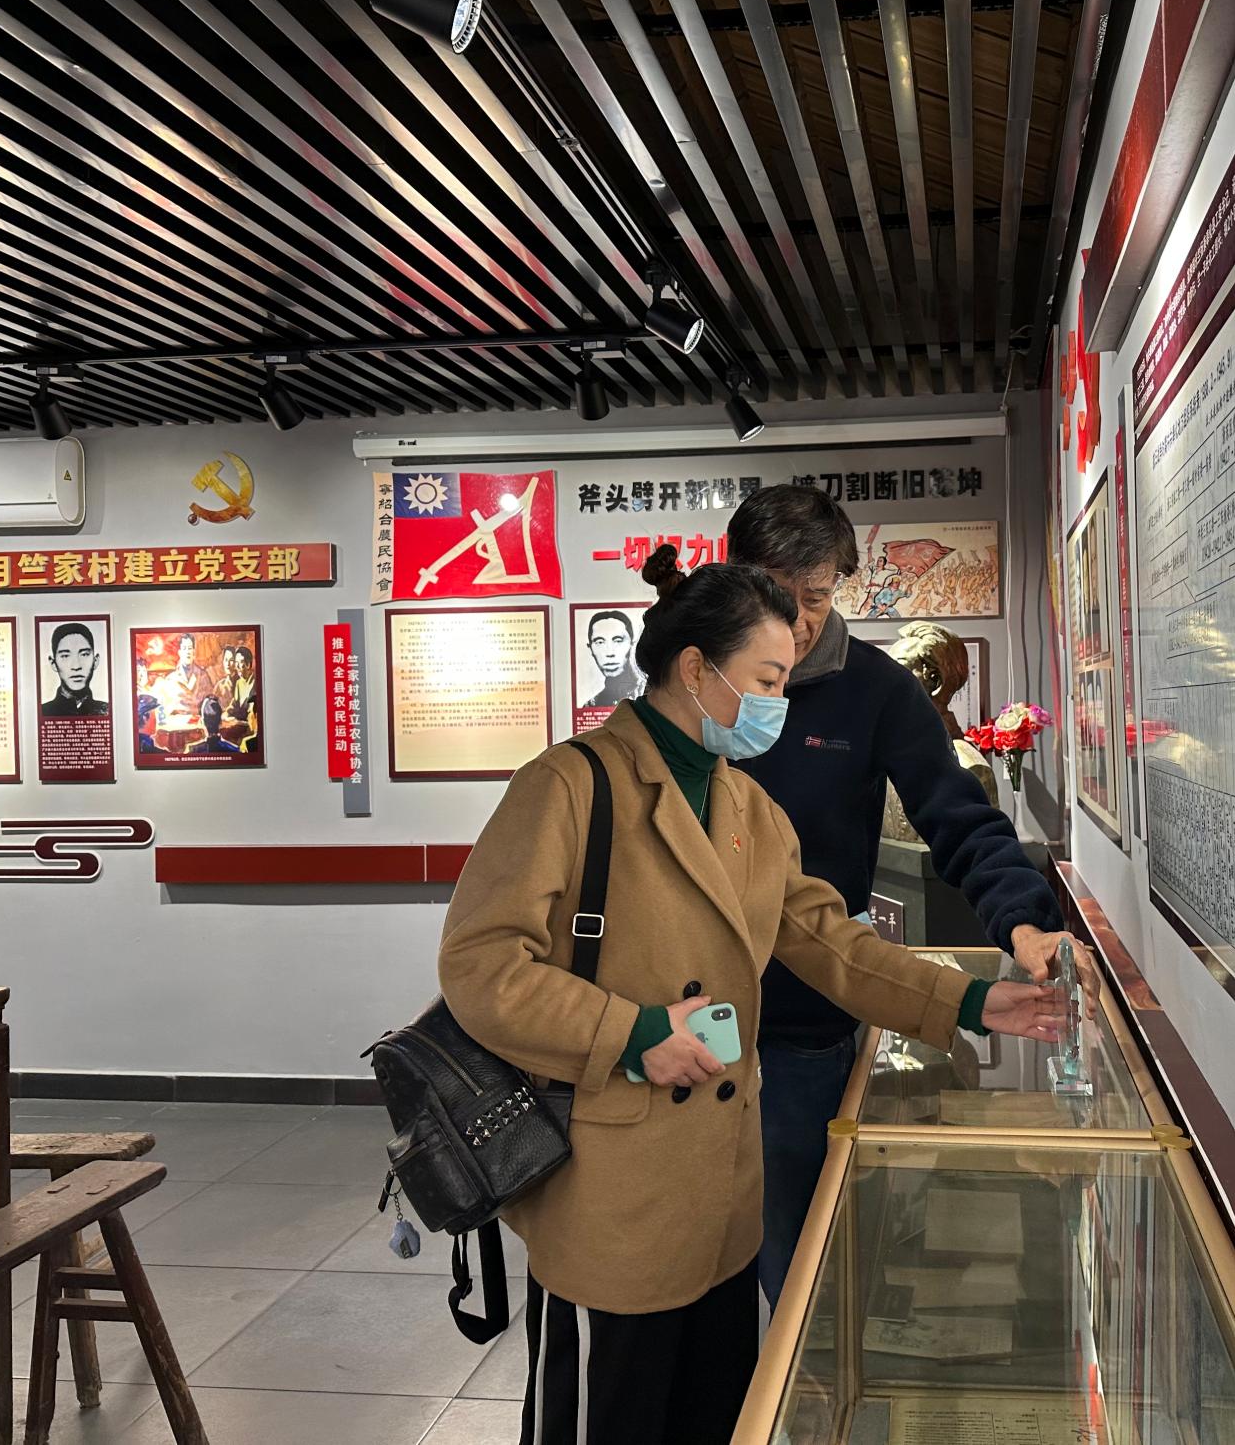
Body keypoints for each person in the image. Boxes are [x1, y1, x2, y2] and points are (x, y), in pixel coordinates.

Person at [438, 552, 1063, 1444]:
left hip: (721, 1197)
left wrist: (971, 1003)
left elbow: (832, 945)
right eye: (766, 681)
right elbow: (481, 964)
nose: (779, 704)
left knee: (715, 1414)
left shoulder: (746, 807)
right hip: (613, 1191)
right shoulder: (571, 785)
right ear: (696, 669)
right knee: (608, 1417)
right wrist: (631, 1032)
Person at [723, 485, 1087, 1307]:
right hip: (690, 1014)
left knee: (800, 1256)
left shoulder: (876, 690)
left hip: (808, 1017)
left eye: (816, 597)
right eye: (775, 593)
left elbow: (960, 818)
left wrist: (1024, 923)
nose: (796, 620)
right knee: (693, 1259)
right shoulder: (702, 683)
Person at [40, 622, 107, 717]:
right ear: (53, 663)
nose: (76, 666)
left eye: (84, 654)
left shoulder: (107, 711)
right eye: (65, 656)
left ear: (95, 661)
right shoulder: (41, 712)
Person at [582, 609, 642, 708]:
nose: (609, 653)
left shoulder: (647, 694)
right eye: (600, 642)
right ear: (590, 648)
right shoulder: (591, 705)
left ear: (632, 644)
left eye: (618, 640)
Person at [160, 634, 214, 721]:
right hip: (177, 724)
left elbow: (210, 703)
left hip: (199, 723)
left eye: (189, 648)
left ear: (194, 652)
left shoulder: (203, 676)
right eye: (184, 648)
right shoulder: (170, 680)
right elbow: (165, 709)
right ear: (180, 652)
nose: (187, 652)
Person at [225, 646, 259, 725]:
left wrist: (237, 722)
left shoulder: (255, 684)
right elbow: (233, 705)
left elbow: (253, 718)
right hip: (239, 725)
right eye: (236, 662)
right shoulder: (239, 683)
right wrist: (227, 713)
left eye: (240, 662)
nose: (237, 666)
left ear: (248, 665)